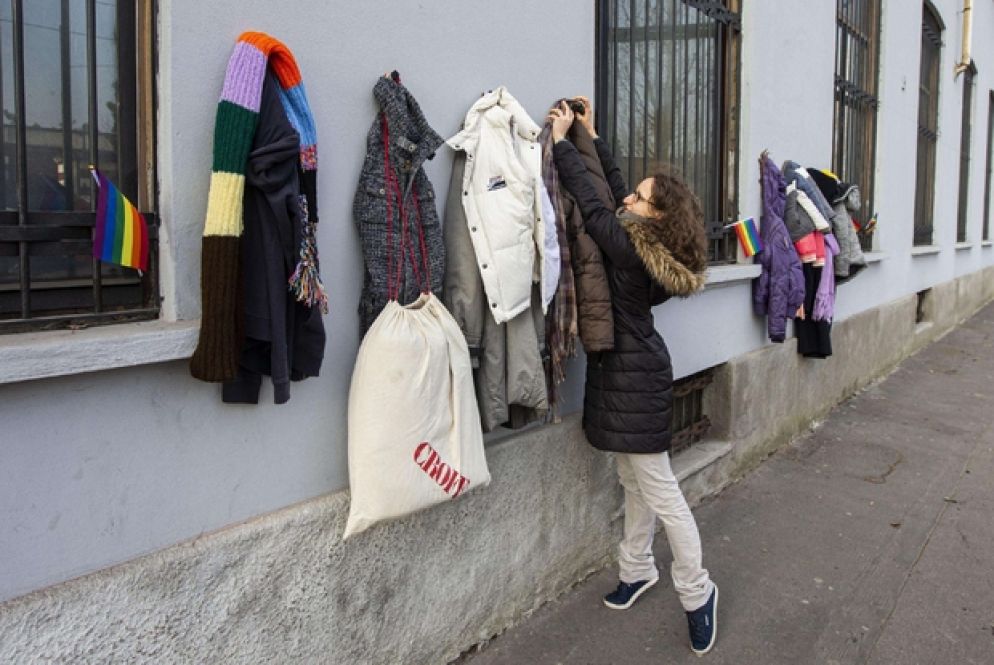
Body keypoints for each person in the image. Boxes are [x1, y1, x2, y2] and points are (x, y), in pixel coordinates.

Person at [548, 97, 719, 656]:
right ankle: (637, 568)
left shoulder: (630, 250)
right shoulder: (648, 244)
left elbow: (597, 211)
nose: (630, 197)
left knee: (661, 491)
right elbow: (615, 189)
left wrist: (561, 144)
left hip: (636, 376)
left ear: (655, 217)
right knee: (631, 480)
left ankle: (698, 593)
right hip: (628, 368)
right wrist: (593, 137)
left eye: (641, 198)